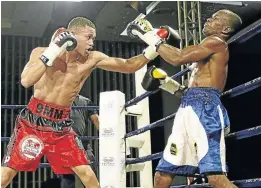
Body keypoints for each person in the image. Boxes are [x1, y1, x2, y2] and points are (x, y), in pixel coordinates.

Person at [1, 17, 159, 188]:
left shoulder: (92, 59)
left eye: (94, 38)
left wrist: (155, 47)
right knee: (6, 174)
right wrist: (53, 51)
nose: (92, 42)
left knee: (88, 174)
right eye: (88, 37)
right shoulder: (41, 52)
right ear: (72, 35)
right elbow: (26, 81)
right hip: (32, 122)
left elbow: (128, 65)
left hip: (61, 126)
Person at [131, 9, 242, 188]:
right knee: (162, 174)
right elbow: (192, 90)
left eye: (215, 18)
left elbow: (178, 58)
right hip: (189, 107)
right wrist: (167, 83)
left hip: (206, 110)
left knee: (215, 178)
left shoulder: (216, 42)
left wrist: (149, 35)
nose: (208, 19)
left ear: (225, 30)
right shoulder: (205, 52)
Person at [60, 94, 99, 188]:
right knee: (68, 177)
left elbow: (97, 121)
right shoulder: (57, 100)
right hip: (67, 144)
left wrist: (107, 136)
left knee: (89, 175)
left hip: (81, 144)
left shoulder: (85, 101)